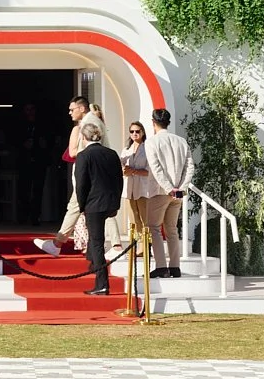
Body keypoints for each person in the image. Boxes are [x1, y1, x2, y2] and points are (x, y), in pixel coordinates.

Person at [36, 95, 104, 255]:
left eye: (72, 109)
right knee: (88, 208)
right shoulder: (90, 121)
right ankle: (113, 244)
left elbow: (90, 149)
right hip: (91, 175)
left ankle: (57, 243)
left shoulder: (89, 123)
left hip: (87, 175)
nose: (69, 113)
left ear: (82, 108)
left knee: (75, 207)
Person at [143, 107, 197, 278]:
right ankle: (175, 266)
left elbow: (156, 168)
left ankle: (161, 266)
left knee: (154, 228)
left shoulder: (151, 142)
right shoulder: (181, 141)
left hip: (160, 191)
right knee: (172, 229)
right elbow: (190, 166)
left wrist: (169, 188)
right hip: (178, 192)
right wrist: (181, 187)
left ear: (153, 122)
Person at [71, 121, 123, 295]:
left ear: (84, 137)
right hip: (109, 201)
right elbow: (119, 180)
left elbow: (81, 184)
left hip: (93, 204)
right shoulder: (111, 153)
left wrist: (82, 205)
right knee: (95, 242)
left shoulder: (84, 156)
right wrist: (116, 202)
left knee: (97, 242)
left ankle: (102, 283)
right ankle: (93, 263)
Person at [119, 121, 152, 249]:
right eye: (132, 131)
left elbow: (149, 171)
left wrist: (132, 171)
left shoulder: (147, 149)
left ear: (143, 133)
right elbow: (120, 164)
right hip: (129, 188)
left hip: (143, 188)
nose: (134, 134)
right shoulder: (126, 149)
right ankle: (137, 246)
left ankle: (146, 246)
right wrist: (124, 169)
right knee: (133, 218)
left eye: (137, 131)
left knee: (144, 218)